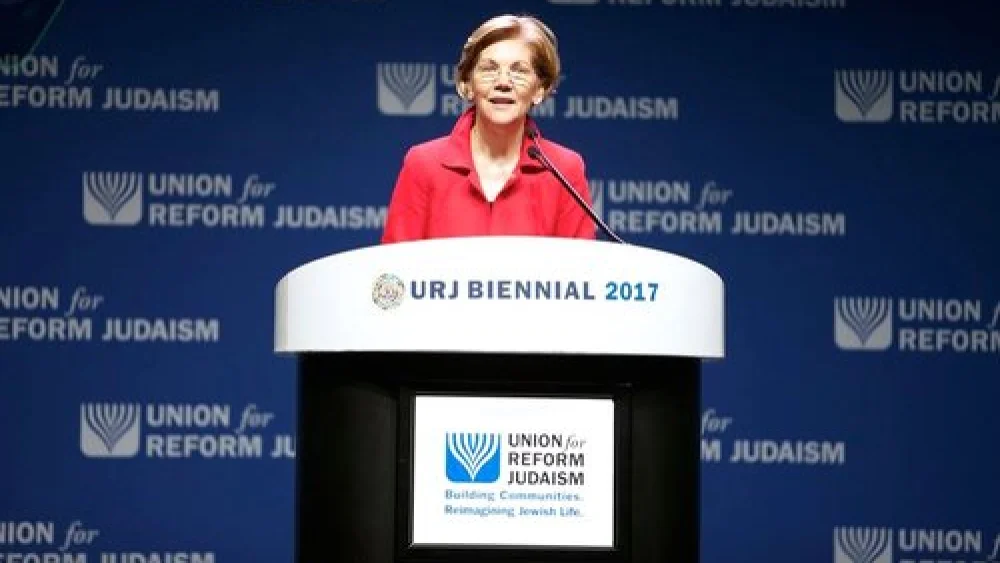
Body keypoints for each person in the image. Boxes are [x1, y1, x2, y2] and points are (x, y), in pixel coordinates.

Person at [380, 13, 597, 244]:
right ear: (467, 84)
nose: (503, 82)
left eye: (519, 70)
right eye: (489, 69)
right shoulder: (423, 164)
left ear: (540, 89)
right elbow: (395, 271)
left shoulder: (564, 170)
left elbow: (581, 273)